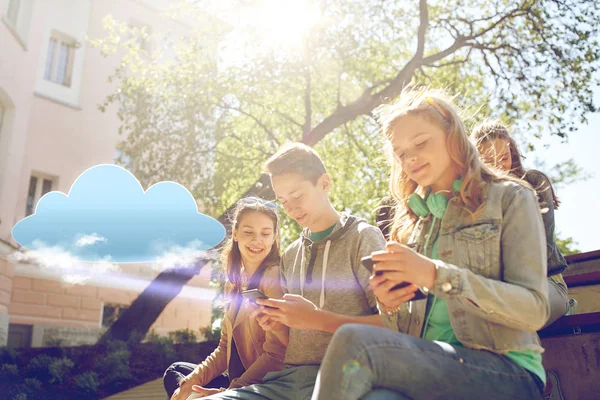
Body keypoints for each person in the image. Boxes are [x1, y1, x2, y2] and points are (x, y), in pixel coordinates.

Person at [311, 88, 550, 400]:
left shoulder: (510, 198)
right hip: (432, 367)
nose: (410, 158)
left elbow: (534, 310)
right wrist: (391, 303)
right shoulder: (412, 223)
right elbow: (407, 330)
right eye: (400, 153)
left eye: (420, 143)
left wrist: (437, 276)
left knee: (354, 341)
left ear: (453, 134)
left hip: (507, 370)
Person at [204, 143, 386, 400]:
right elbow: (289, 342)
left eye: (297, 195)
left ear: (324, 183)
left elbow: (394, 326)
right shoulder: (290, 254)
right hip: (285, 381)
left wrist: (316, 319)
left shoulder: (363, 238)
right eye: (283, 201)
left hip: (342, 377)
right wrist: (277, 325)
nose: (290, 209)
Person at [164, 197, 288, 400]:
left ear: (274, 237)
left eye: (265, 234)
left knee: (185, 387)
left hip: (261, 384)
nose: (257, 241)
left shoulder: (272, 277)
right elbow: (224, 348)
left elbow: (277, 355)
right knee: (177, 373)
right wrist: (190, 384)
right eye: (249, 232)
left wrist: (230, 391)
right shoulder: (234, 283)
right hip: (235, 379)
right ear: (236, 234)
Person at [472, 120, 569, 326]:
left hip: (545, 284)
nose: (499, 166)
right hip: (501, 290)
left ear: (511, 149)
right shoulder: (477, 199)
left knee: (511, 318)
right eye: (489, 161)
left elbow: (542, 247)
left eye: (504, 158)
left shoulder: (534, 182)